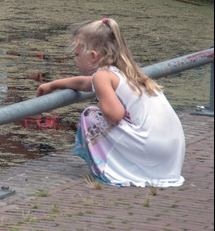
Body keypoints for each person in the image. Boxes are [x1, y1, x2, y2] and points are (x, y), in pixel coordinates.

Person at [37, 18, 185, 188]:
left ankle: (108, 171)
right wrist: (53, 84)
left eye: (77, 55)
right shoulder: (126, 71)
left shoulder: (103, 76)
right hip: (169, 156)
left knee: (90, 115)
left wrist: (101, 104)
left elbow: (115, 114)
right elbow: (87, 83)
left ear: (93, 56)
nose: (74, 60)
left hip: (152, 152)